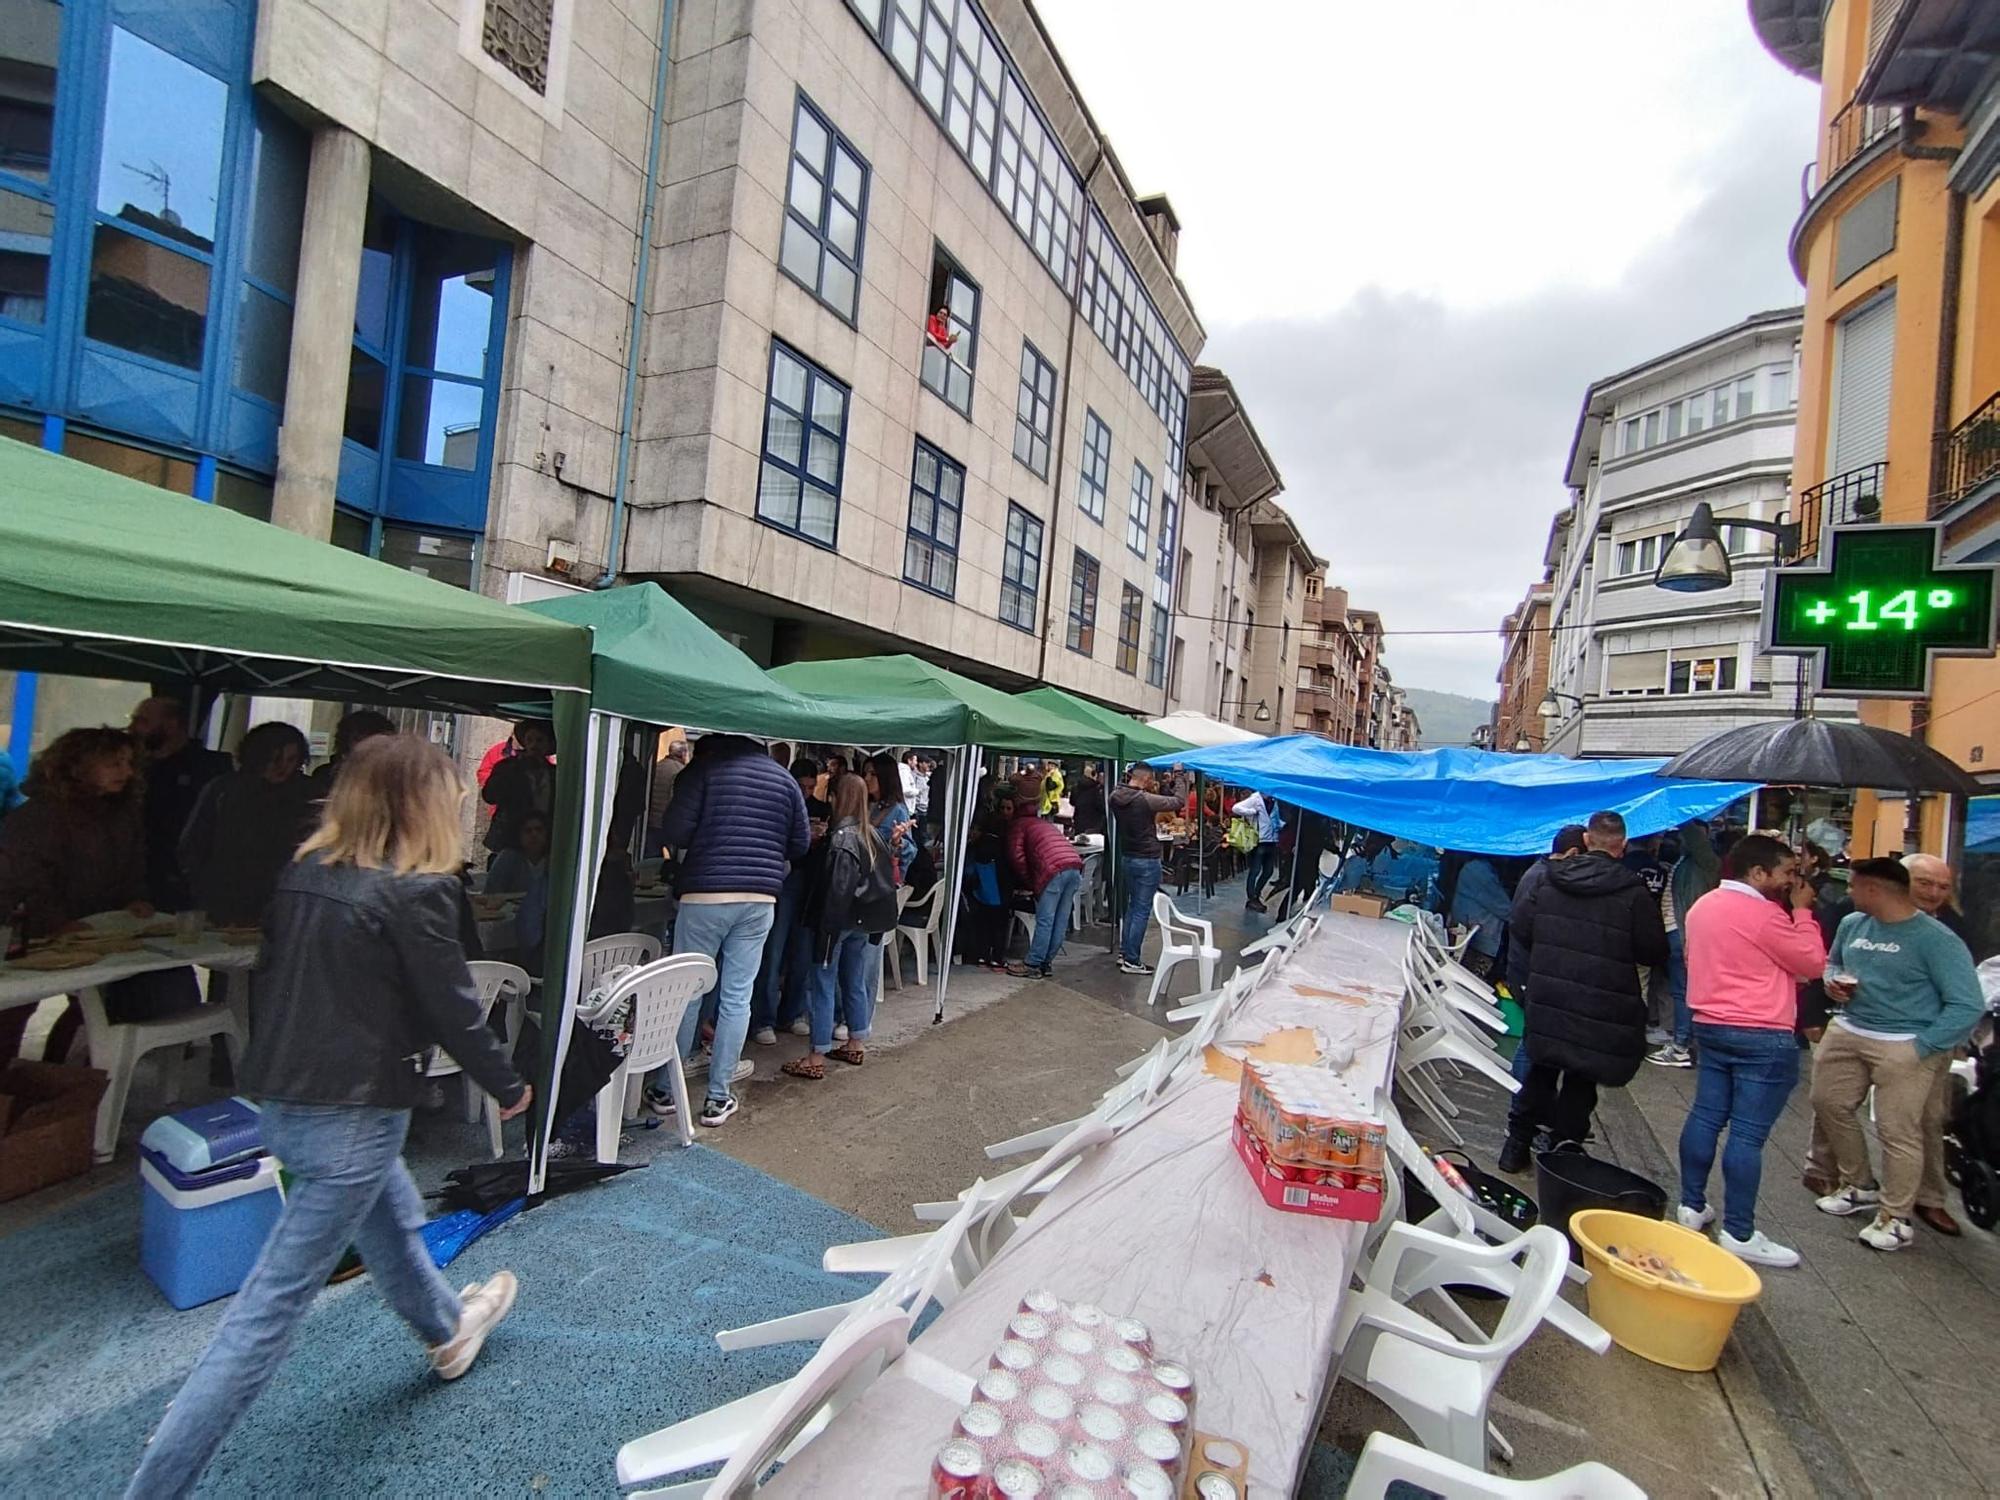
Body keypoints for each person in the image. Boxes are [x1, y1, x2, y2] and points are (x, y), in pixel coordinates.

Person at [123, 735, 530, 1499]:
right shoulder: (418, 889)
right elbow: (453, 1006)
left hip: (285, 1098)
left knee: (394, 1221)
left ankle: (449, 1329)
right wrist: (508, 1083)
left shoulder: (308, 872)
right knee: (266, 1315)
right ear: (423, 804)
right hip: (355, 1115)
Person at [1811, 857, 1985, 1252]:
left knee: (1898, 1131)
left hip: (1905, 1042)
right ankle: (1858, 1183)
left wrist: (1921, 1048)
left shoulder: (1937, 940)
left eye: (1854, 886)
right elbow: (1833, 961)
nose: (1848, 892)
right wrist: (1831, 983)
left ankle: (1896, 1217)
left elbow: (1967, 1003)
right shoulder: (1852, 924)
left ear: (1874, 890)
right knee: (1828, 1103)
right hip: (1850, 1028)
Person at [1673, 835, 1825, 1268]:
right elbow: (1813, 963)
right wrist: (1803, 913)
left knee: (1705, 1116)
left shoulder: (1703, 906)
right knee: (1747, 1135)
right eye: (1786, 872)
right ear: (1757, 873)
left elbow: (1694, 958)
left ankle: (1691, 1204)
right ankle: (1739, 1231)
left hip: (1711, 1023)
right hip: (1762, 1031)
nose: (1791, 881)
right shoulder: (1766, 914)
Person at [648, 734, 809, 1127]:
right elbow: (801, 842)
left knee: (686, 991)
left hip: (704, 893)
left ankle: (666, 1089)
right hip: (760, 898)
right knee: (737, 996)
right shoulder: (784, 779)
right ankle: (718, 1097)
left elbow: (676, 830)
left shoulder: (704, 771)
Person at [1499, 810, 1667, 1172]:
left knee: (1540, 1072)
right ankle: (1563, 1149)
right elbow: (1652, 951)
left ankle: (1516, 1145)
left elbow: (1522, 928)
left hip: (1550, 995)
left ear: (1587, 841)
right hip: (1600, 1002)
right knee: (1580, 1080)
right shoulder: (1633, 893)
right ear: (1621, 847)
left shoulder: (1549, 881)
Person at [0, 728, 153, 1062]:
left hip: (91, 932)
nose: (126, 772)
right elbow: (23, 879)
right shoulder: (39, 815)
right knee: (11, 1012)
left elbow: (131, 864)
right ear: (77, 766)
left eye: (129, 763)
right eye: (114, 763)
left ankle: (57, 1083)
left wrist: (133, 899)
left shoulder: (122, 813)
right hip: (27, 932)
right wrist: (56, 922)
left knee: (91, 1010)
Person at [784, 773, 898, 1079]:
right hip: (864, 921)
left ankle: (816, 1056)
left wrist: (825, 931)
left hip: (838, 921)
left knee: (822, 983)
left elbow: (837, 890)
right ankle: (855, 1041)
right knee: (853, 979)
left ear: (837, 797)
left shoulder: (842, 838)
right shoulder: (872, 834)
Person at [177, 722, 315, 930]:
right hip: (227, 900)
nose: (282, 767)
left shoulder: (308, 794)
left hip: (284, 901)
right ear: (258, 756)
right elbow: (194, 845)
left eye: (291, 760)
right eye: (275, 759)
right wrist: (207, 894)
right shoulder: (224, 790)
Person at [1901, 852, 1970, 1235]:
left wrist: (1940, 1038)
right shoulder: (1868, 914)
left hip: (1929, 1035)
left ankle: (1929, 1198)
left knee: (1927, 1118)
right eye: (1925, 883)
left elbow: (1967, 988)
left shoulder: (1954, 927)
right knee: (1832, 1103)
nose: (1934, 892)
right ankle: (1828, 1171)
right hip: (1868, 1026)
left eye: (1942, 886)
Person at [128, 695, 231, 911]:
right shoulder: (133, 768)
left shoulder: (208, 770)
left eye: (143, 721)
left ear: (172, 724)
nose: (133, 728)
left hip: (184, 881)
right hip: (137, 876)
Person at [751, 758, 827, 1046]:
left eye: (811, 786)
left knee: (802, 955)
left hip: (809, 883)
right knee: (773, 952)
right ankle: (764, 1018)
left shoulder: (822, 809)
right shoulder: (780, 806)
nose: (806, 792)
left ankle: (792, 1013)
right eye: (802, 786)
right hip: (783, 881)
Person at [1110, 765, 1180, 976]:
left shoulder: (1114, 796)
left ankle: (1125, 952)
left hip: (1128, 857)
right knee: (1141, 910)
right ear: (1147, 779)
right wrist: (1180, 777)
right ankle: (1132, 959)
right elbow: (1178, 802)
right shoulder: (1145, 799)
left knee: (1132, 907)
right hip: (1147, 859)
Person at [1006, 795, 1085, 978]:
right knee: (1060, 919)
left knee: (1045, 919)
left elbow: (1017, 859)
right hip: (1074, 865)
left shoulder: (1018, 826)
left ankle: (1033, 963)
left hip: (1053, 870)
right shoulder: (1043, 823)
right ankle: (1046, 962)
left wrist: (1030, 883)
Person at [481, 718, 554, 855]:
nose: (534, 745)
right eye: (530, 740)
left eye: (539, 740)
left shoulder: (555, 774)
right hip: (509, 840)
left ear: (548, 745)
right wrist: (509, 772)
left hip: (542, 843)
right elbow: (489, 796)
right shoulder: (507, 767)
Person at [308, 710, 395, 809]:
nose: (365, 746)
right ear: (345, 741)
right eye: (358, 739)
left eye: (372, 740)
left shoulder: (393, 778)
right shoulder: (325, 775)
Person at [1445, 855, 1511, 977]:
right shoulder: (1478, 870)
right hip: (1477, 940)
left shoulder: (1477, 868)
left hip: (1472, 936)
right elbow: (1504, 909)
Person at [864, 752, 917, 879]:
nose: (866, 778)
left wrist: (897, 842)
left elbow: (910, 852)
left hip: (882, 879)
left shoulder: (898, 810)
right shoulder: (864, 804)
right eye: (865, 773)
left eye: (873, 774)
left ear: (885, 776)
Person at [1230, 788, 1280, 912]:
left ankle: (1256, 894)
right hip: (1258, 840)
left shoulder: (1276, 800)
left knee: (1268, 871)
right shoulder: (1255, 798)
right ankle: (1251, 898)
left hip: (1272, 840)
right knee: (1255, 871)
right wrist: (1251, 811)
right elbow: (1236, 808)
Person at [646, 738, 690, 854]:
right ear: (683, 754)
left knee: (651, 862)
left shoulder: (656, 766)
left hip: (651, 823)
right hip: (668, 825)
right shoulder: (682, 771)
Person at [1070, 763, 1106, 840]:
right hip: (1093, 823)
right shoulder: (1095, 789)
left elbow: (1072, 802)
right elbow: (1101, 806)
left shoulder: (1076, 786)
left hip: (1078, 820)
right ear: (1094, 774)